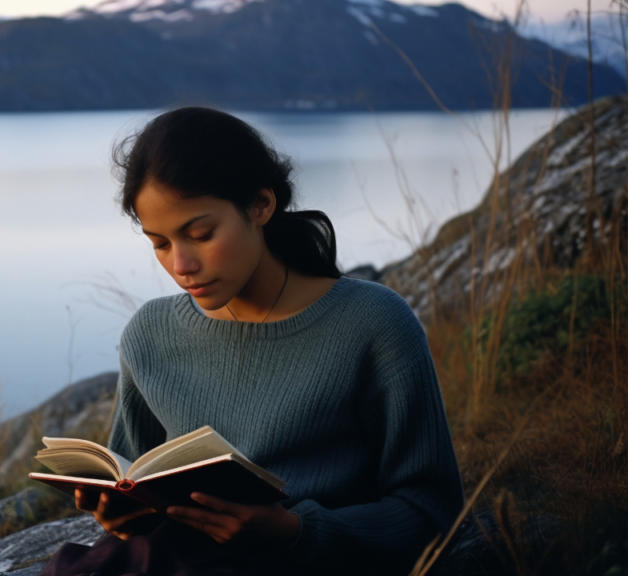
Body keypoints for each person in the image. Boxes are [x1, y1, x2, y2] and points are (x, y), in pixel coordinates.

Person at [40, 107, 464, 576]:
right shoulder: (150, 333)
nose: (181, 265)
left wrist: (293, 531)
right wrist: (123, 519)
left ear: (261, 205)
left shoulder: (372, 323)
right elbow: (136, 485)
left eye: (201, 234)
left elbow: (431, 510)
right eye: (159, 243)